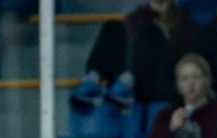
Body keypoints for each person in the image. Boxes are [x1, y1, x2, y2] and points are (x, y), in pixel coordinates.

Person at [71, 0, 201, 112]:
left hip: (158, 81)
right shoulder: (136, 17)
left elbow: (184, 61)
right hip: (131, 71)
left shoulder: (186, 22)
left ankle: (127, 82)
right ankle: (94, 78)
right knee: (112, 26)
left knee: (150, 32)